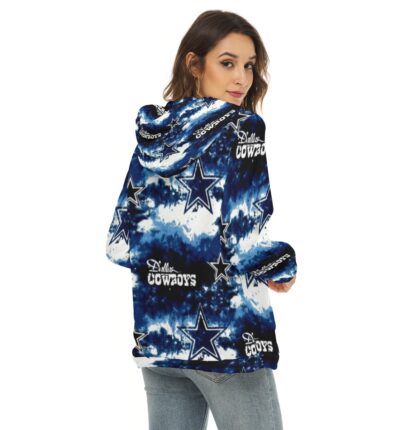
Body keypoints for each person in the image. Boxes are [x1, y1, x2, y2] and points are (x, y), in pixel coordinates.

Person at [106, 9, 298, 430]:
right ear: (194, 65)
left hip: (159, 338)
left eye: (249, 66)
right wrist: (282, 266)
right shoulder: (243, 128)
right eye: (227, 63)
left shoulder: (155, 133)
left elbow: (119, 243)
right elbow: (245, 239)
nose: (241, 78)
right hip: (228, 340)